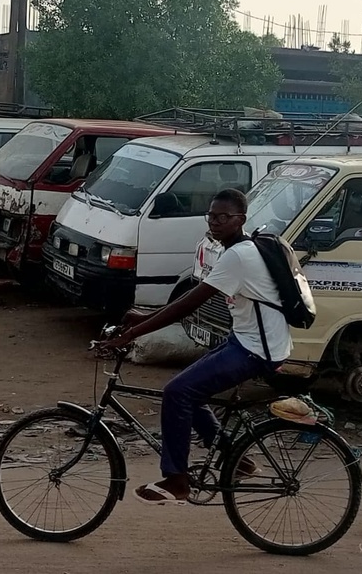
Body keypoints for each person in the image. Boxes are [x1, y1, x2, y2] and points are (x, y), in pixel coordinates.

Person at [101, 188, 292, 505]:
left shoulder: (238, 256)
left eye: (223, 217)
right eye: (211, 216)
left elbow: (186, 306)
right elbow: (191, 301)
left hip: (257, 349)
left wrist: (132, 333)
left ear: (240, 220)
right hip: (250, 340)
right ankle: (237, 459)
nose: (215, 222)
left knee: (178, 392)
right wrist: (142, 317)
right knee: (190, 391)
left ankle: (177, 481)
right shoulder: (239, 250)